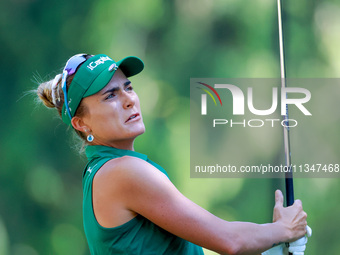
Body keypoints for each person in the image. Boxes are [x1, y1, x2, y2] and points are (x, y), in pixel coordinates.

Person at [36, 53, 310, 255]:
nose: (129, 99)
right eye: (110, 96)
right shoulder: (122, 172)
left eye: (128, 87)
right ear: (82, 124)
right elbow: (229, 241)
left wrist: (272, 244)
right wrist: (282, 230)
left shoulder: (105, 172)